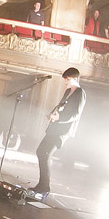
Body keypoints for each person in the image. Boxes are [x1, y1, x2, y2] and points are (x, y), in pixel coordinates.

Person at [29, 67, 86, 199]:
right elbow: (60, 106)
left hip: (63, 131)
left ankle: (44, 187)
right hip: (54, 128)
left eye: (68, 79)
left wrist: (59, 118)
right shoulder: (68, 91)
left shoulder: (80, 93)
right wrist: (51, 115)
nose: (65, 82)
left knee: (45, 153)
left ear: (75, 78)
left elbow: (76, 114)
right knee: (40, 152)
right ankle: (42, 185)